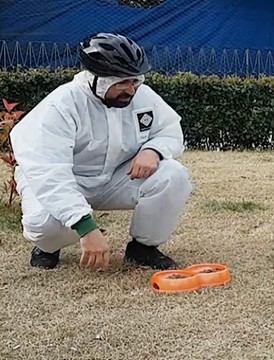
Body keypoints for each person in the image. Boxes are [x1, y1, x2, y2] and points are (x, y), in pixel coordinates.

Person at [9, 32, 193, 271]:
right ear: (95, 78)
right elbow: (49, 172)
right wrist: (85, 226)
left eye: (135, 80)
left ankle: (143, 249)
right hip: (64, 181)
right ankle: (48, 246)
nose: (131, 90)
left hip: (113, 179)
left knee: (173, 175)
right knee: (43, 225)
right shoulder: (61, 106)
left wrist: (154, 150)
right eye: (122, 83)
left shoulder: (142, 95)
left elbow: (169, 130)